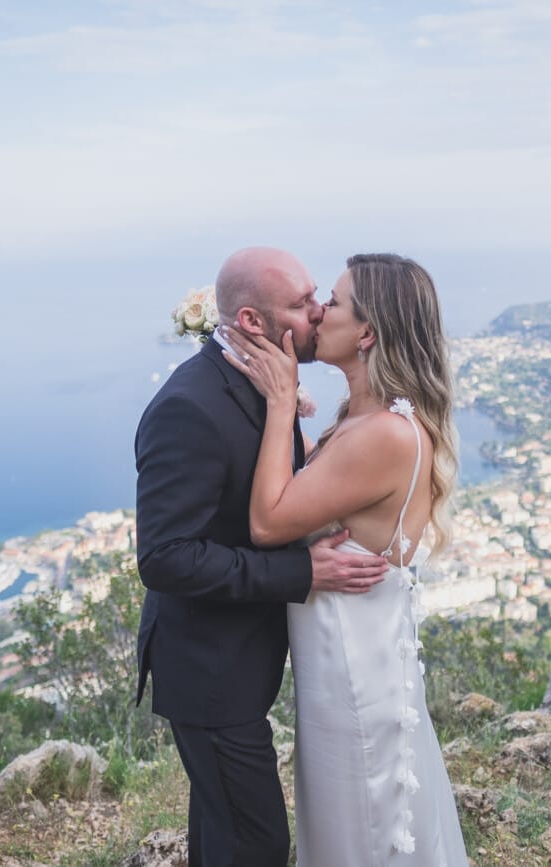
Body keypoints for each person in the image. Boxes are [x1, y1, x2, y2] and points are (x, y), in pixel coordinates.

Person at [134, 246, 391, 867]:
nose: (319, 311)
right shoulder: (188, 407)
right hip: (208, 673)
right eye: (302, 304)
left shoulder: (261, 382)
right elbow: (165, 558)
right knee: (258, 844)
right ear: (253, 323)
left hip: (238, 666)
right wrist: (303, 572)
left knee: (222, 837)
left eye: (317, 297)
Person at [221, 253, 470, 865]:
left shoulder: (385, 434)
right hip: (346, 665)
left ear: (367, 333)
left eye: (331, 302)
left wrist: (281, 404)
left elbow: (267, 522)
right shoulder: (365, 420)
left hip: (353, 676)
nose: (316, 312)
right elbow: (321, 484)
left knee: (359, 827)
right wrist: (294, 418)